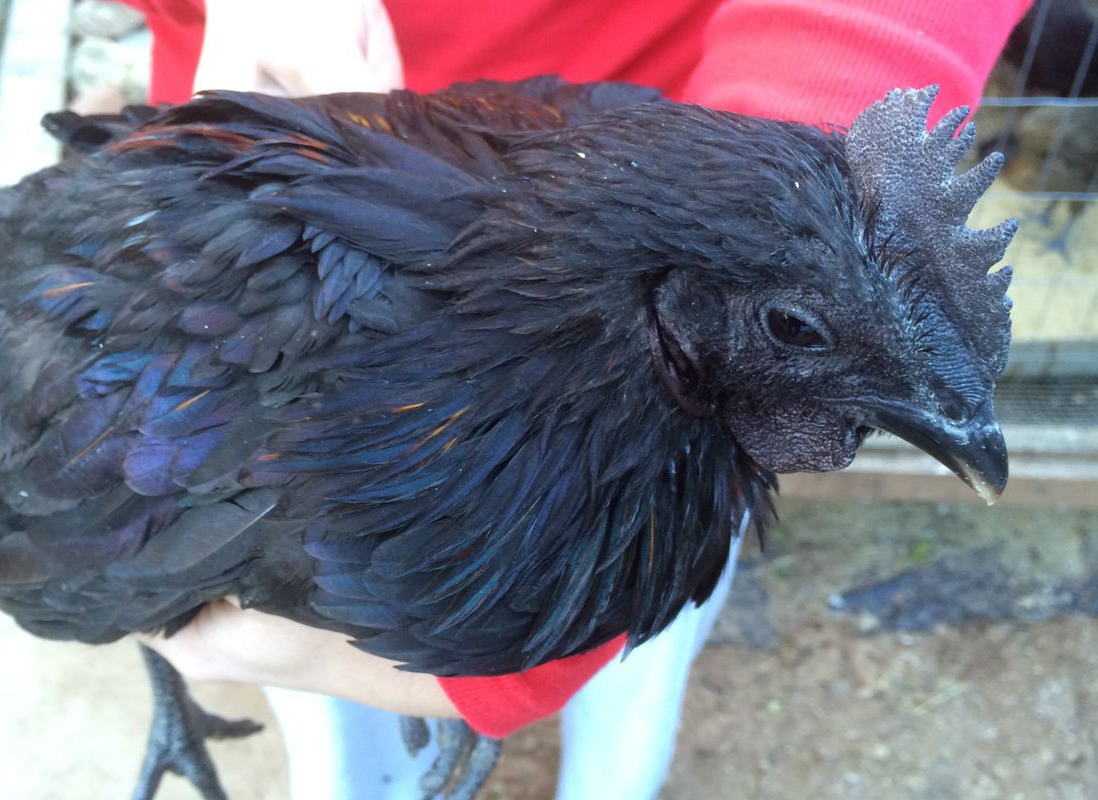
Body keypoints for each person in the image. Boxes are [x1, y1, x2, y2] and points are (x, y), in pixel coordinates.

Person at [114, 1, 1032, 796]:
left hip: (665, 150)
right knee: (312, 696)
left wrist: (542, 624)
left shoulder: (685, 354)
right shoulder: (226, 342)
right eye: (795, 328)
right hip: (248, 208)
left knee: (633, 678)